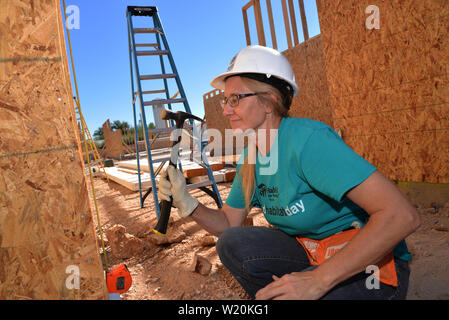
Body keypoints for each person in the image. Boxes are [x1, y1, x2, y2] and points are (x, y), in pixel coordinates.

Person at [157, 45, 421, 300]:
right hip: (311, 251)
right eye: (226, 100)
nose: (226, 110)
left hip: (370, 263)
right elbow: (229, 224)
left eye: (235, 99)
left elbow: (402, 216)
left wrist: (319, 280)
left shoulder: (308, 142)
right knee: (232, 243)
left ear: (269, 101)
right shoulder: (251, 157)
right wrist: (189, 204)